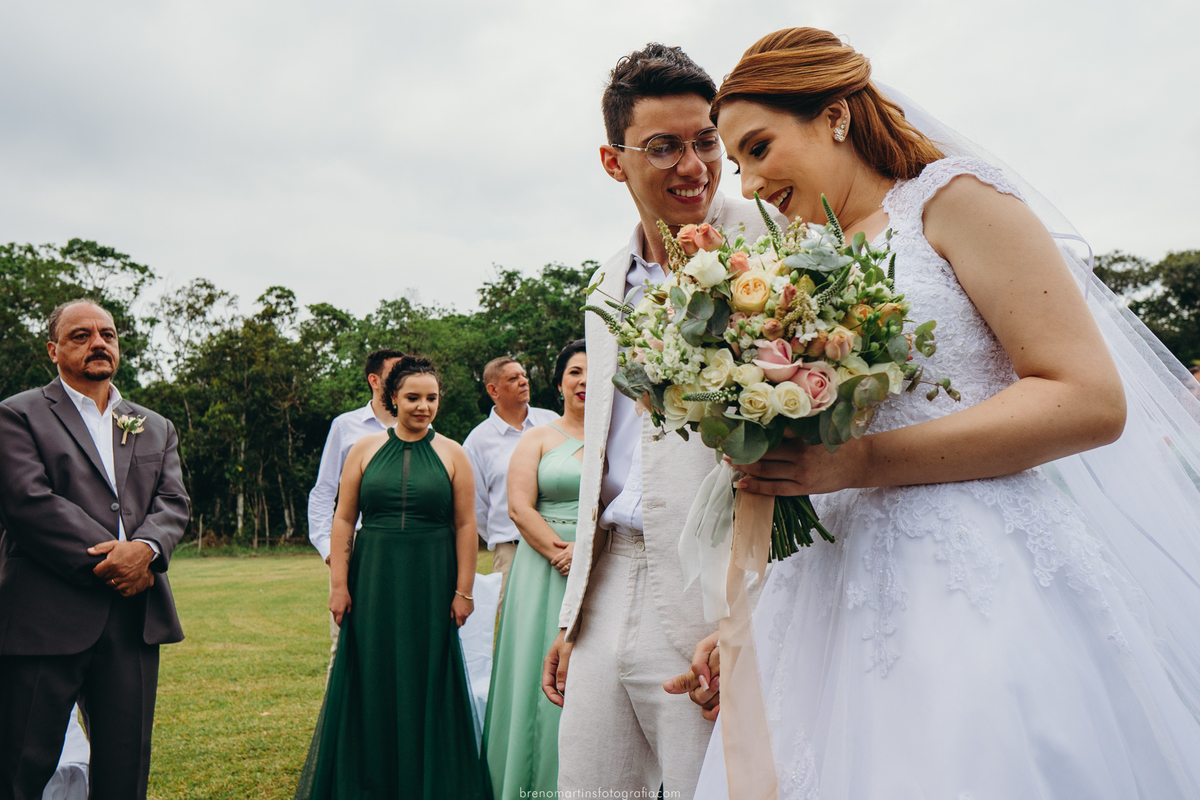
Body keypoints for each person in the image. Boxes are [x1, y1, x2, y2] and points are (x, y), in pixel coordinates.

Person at [680, 27, 1200, 799]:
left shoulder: (957, 200)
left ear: (834, 116)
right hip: (825, 588)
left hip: (971, 577)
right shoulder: (791, 267)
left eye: (759, 147)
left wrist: (856, 463)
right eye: (739, 161)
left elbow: (1088, 399)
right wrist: (739, 610)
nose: (749, 185)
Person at [540, 44, 780, 798]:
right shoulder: (604, 281)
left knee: (713, 782)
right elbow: (607, 455)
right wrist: (576, 609)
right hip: (609, 573)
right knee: (592, 783)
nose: (694, 165)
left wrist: (748, 616)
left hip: (711, 577)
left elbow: (801, 449)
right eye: (664, 147)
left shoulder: (774, 244)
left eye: (705, 141)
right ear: (615, 163)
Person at [0, 299, 189, 800]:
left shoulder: (154, 425)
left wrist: (146, 548)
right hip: (46, 617)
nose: (98, 343)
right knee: (19, 765)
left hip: (133, 618)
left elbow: (174, 503)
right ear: (53, 350)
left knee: (125, 772)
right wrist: (119, 560)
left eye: (107, 333)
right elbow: (28, 502)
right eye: (81, 335)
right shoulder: (17, 415)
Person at [294, 355, 490, 800]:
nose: (423, 406)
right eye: (413, 397)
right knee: (370, 676)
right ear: (392, 398)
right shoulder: (363, 449)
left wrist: (464, 590)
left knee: (429, 676)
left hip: (432, 581)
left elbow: (466, 525)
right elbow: (343, 520)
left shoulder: (453, 452)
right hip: (374, 579)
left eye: (432, 398)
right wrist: (339, 585)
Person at [483, 340, 586, 798]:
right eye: (575, 373)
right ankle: (529, 784)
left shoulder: (627, 438)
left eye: (594, 372)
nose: (585, 381)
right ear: (560, 382)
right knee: (535, 672)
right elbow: (519, 508)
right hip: (543, 568)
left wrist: (587, 554)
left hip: (604, 560)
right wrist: (562, 553)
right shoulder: (538, 437)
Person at [307, 348, 403, 677]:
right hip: (357, 548)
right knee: (349, 644)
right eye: (395, 373)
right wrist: (328, 549)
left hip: (408, 549)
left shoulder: (420, 422)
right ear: (374, 380)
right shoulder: (346, 426)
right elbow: (323, 492)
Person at [463, 358, 556, 611]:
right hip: (512, 552)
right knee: (516, 632)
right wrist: (506, 535)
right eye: (513, 378)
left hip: (562, 544)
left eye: (524, 375)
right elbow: (476, 507)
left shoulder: (553, 422)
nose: (524, 381)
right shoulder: (476, 442)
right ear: (493, 390)